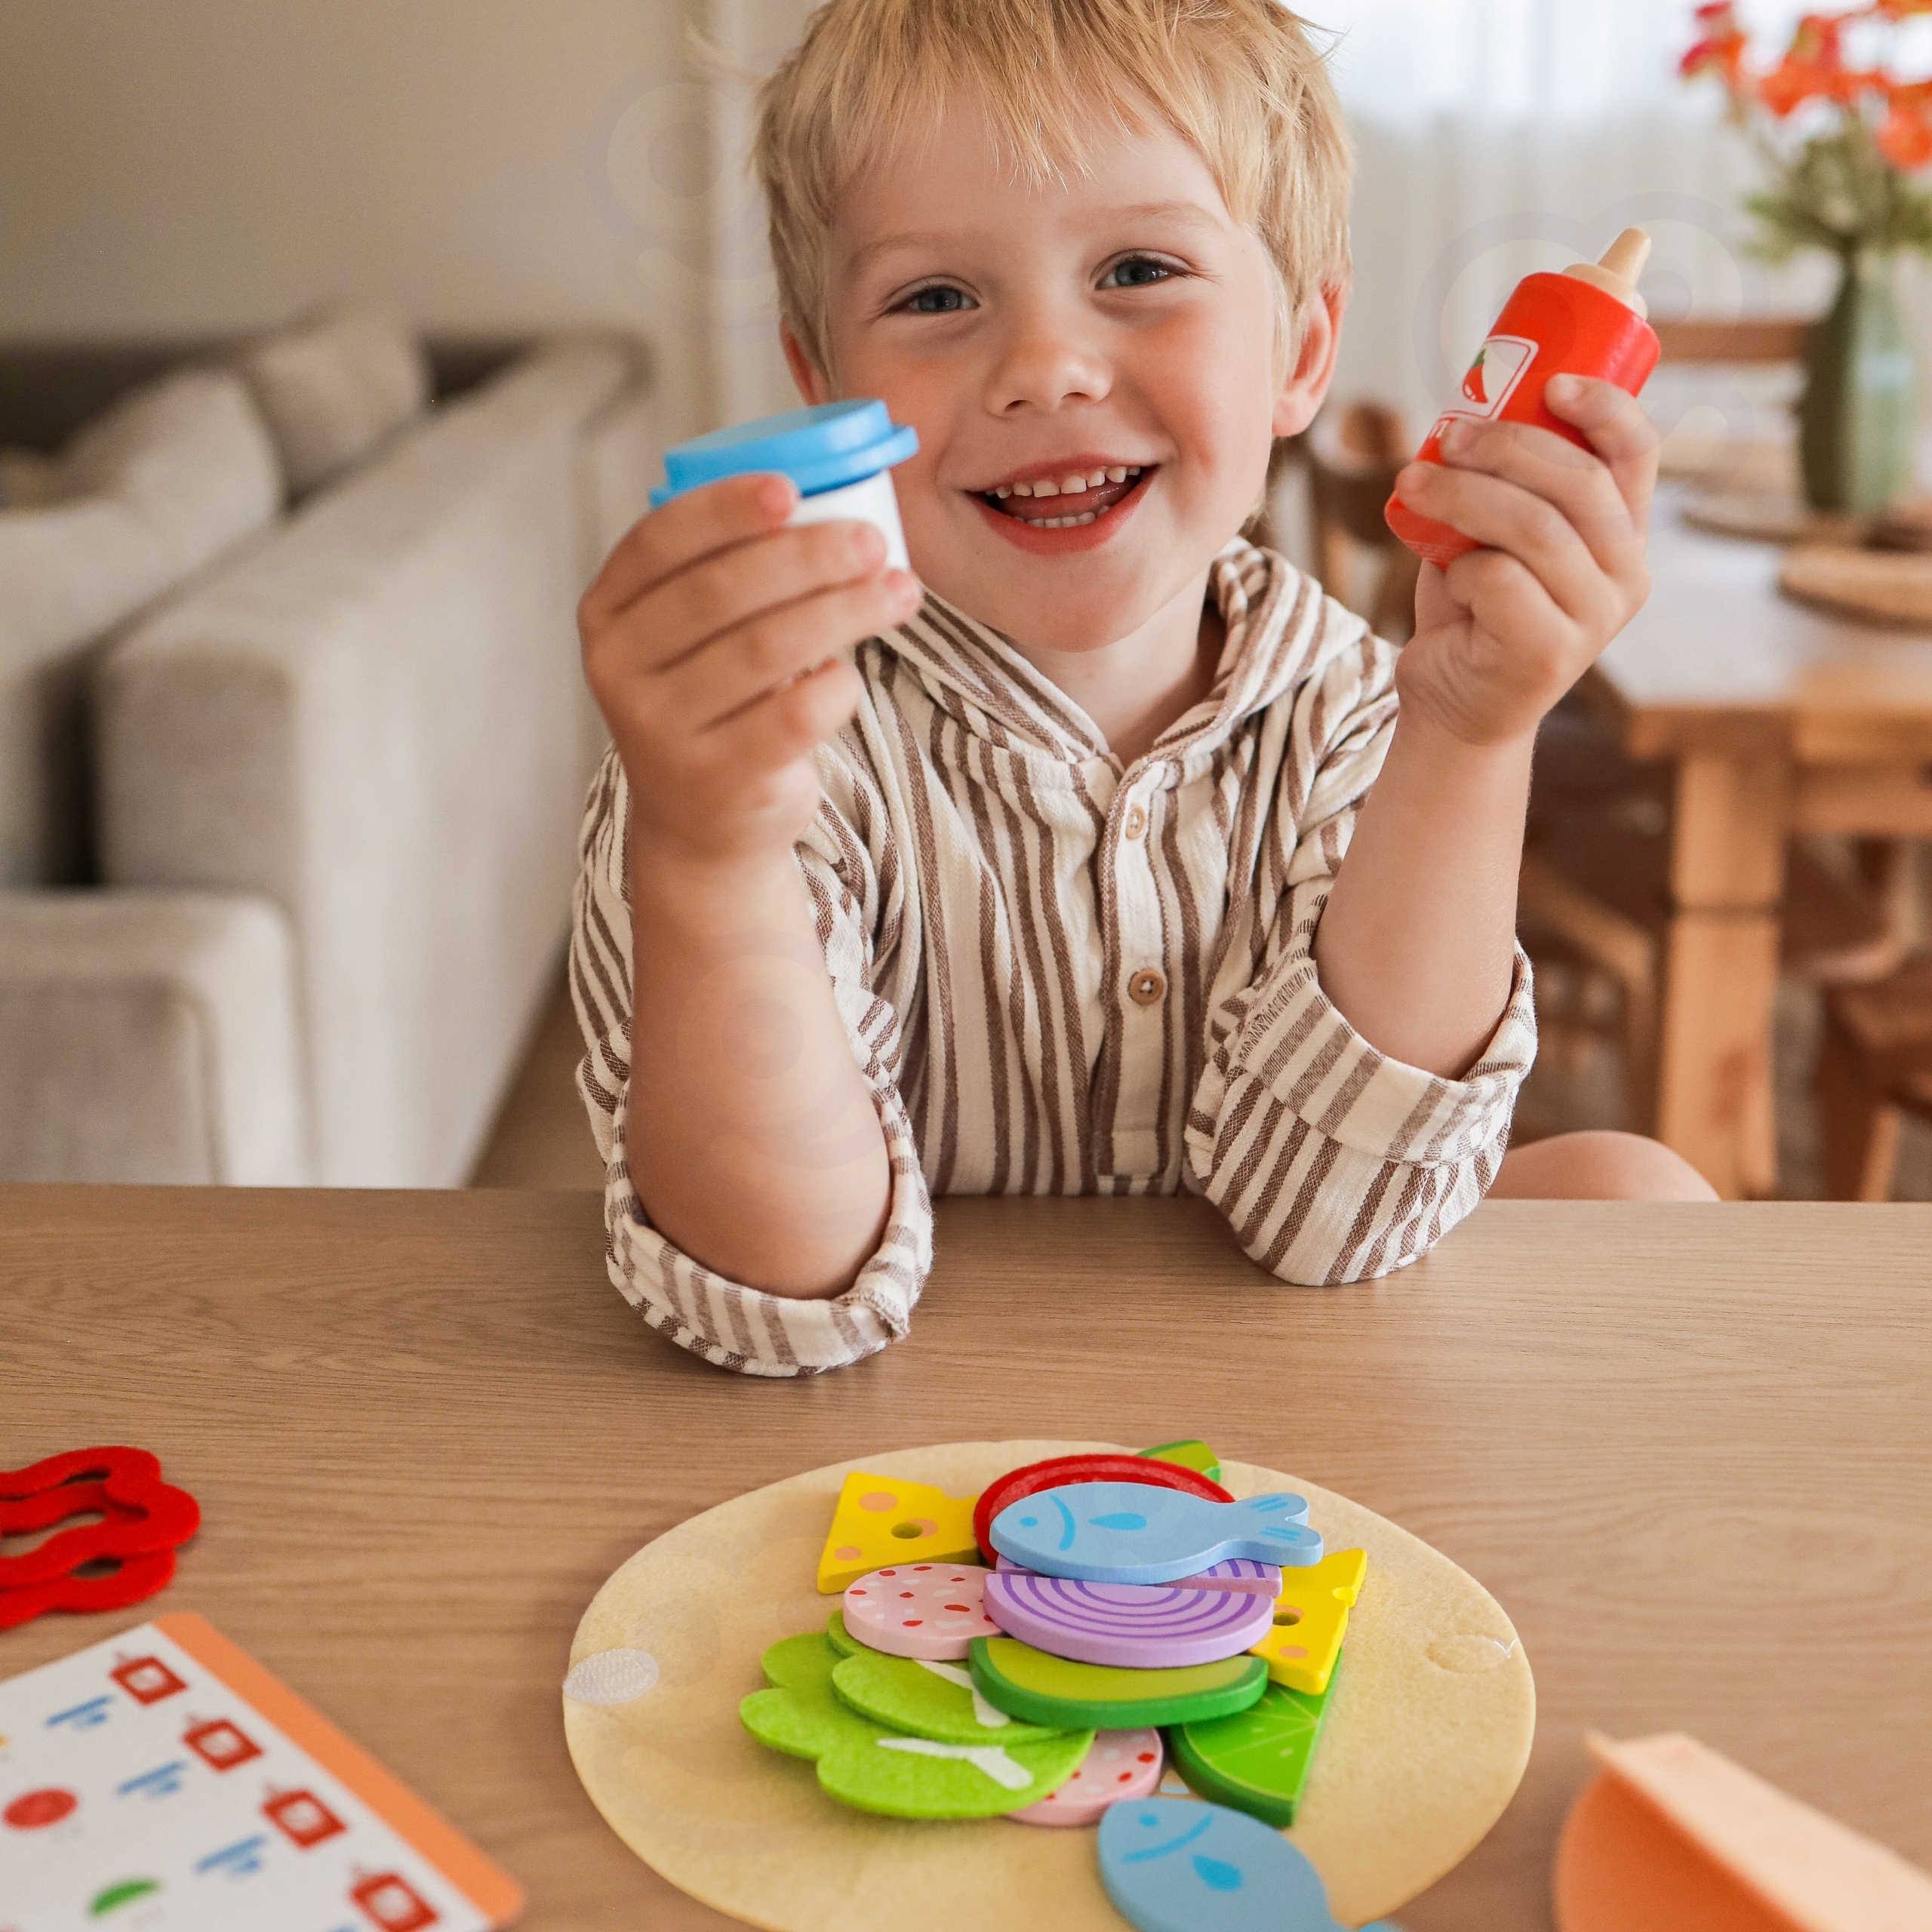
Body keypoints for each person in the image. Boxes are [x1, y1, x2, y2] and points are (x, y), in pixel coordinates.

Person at [571, 0, 1714, 1376]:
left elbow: (1341, 1226)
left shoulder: (1366, 704)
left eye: (1139, 268)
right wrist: (707, 860)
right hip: (907, 1417)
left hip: (1295, 1411)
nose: (1045, 367)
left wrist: (1469, 735)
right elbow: (773, 1287)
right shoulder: (753, 750)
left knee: (1645, 1193)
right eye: (936, 297)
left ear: (1300, 347)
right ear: (821, 384)